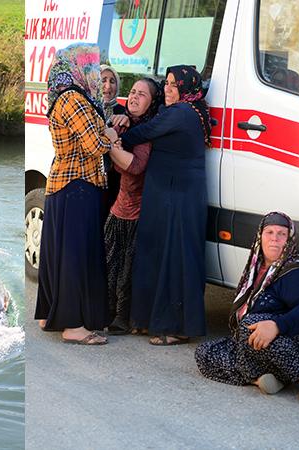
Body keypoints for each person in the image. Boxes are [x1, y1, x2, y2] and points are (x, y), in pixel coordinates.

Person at [113, 65, 212, 345]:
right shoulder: (185, 110)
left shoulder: (181, 112)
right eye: (166, 84)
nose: (168, 89)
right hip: (169, 194)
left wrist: (118, 136)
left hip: (178, 197)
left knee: (176, 258)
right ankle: (151, 321)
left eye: (173, 85)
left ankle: (177, 327)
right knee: (160, 254)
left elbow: (145, 132)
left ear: (186, 88)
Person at [194, 212, 299, 402]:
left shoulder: (296, 272)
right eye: (269, 232)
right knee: (206, 352)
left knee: (250, 324)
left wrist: (277, 326)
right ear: (260, 237)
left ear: (289, 239)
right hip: (264, 345)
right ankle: (266, 378)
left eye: (281, 234)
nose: (274, 239)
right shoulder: (255, 269)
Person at [34, 43, 120, 345]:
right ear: (79, 68)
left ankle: (50, 315)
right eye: (92, 66)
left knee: (58, 254)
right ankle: (73, 326)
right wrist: (110, 135)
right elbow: (95, 146)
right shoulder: (75, 99)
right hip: (78, 185)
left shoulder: (65, 96)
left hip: (64, 185)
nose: (95, 72)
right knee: (76, 257)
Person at [103, 78, 161, 334]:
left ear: (152, 103)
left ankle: (124, 318)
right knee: (109, 263)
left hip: (138, 211)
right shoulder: (124, 121)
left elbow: (135, 166)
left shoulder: (148, 130)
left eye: (142, 95)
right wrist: (116, 132)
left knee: (128, 270)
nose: (135, 97)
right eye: (133, 92)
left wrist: (112, 142)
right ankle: (106, 311)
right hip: (119, 208)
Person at [100, 64, 125, 224]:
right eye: (103, 80)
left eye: (112, 81)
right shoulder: (87, 109)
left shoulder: (123, 112)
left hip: (113, 179)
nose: (108, 86)